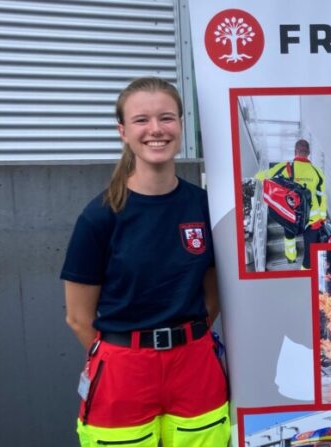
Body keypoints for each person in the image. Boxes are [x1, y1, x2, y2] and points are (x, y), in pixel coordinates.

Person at [61, 77, 230, 446]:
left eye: (166, 118)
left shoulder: (204, 206)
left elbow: (214, 293)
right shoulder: (101, 216)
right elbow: (78, 317)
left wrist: (184, 341)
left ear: (181, 126)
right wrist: (134, 352)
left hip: (195, 366)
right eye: (141, 120)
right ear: (123, 131)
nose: (156, 130)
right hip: (124, 370)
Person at [256, 139, 327, 270]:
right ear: (309, 153)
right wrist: (322, 217)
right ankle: (305, 274)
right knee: (310, 254)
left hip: (291, 214)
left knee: (289, 236)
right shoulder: (318, 172)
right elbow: (322, 196)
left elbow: (264, 176)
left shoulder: (285, 167)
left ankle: (291, 257)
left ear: (295, 152)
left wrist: (257, 176)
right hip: (313, 220)